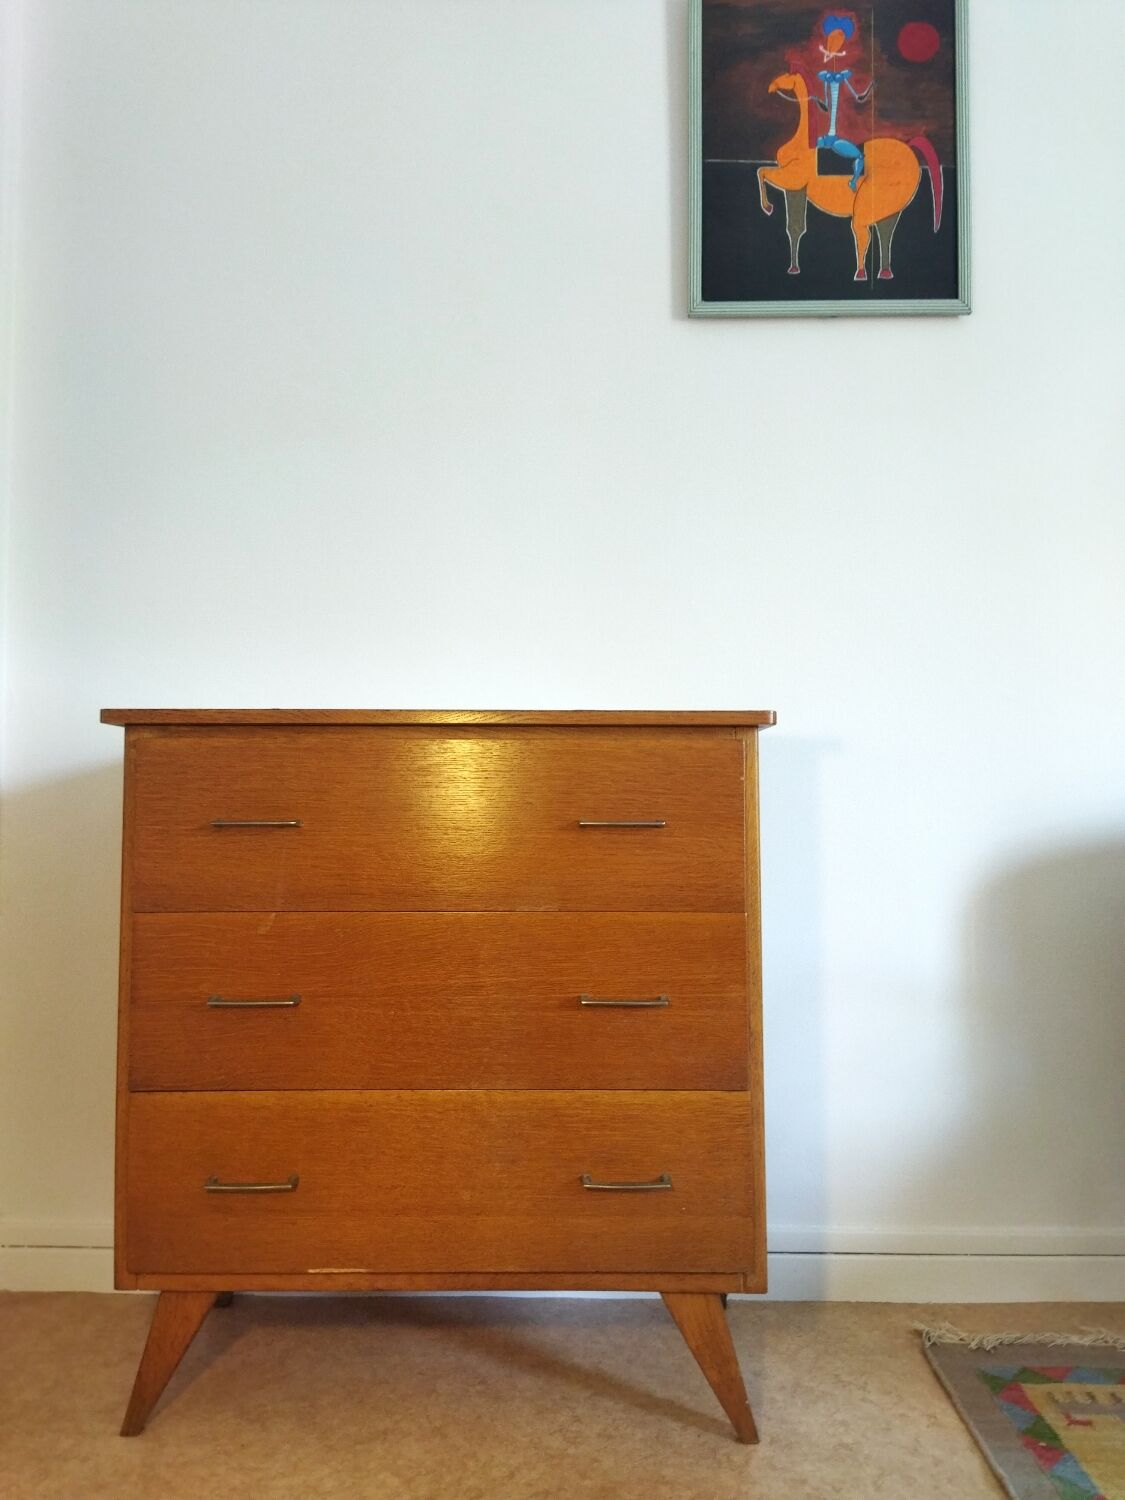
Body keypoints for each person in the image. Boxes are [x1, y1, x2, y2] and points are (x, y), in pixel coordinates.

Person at [814, 14, 873, 191]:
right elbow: (824, 104)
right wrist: (817, 101)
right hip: (827, 138)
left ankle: (853, 182)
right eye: (833, 38)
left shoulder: (842, 75)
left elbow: (859, 97)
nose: (836, 42)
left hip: (836, 139)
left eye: (839, 39)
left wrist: (869, 89)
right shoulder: (826, 76)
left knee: (859, 157)